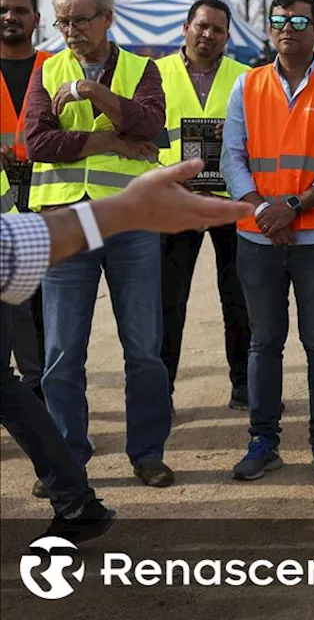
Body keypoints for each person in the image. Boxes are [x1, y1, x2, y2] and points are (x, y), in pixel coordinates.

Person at [2, 158, 252, 542]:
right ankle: (72, 485)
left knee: (140, 353)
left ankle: (128, 463)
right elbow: (40, 140)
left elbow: (12, 245)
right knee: (56, 361)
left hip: (120, 232)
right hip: (66, 209)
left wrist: (122, 211)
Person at [24, 0, 174, 490]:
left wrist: (91, 91)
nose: (70, 30)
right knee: (63, 351)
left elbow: (150, 126)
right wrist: (109, 138)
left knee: (143, 347)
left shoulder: (141, 69)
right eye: (62, 20)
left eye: (80, 19)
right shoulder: (46, 71)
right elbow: (38, 142)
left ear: (107, 19)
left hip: (129, 223)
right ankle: (68, 458)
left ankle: (148, 454)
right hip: (65, 223)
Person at [221, 0, 314, 484]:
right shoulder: (247, 85)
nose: (286, 28)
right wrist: (261, 210)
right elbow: (231, 157)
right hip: (259, 238)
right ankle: (263, 440)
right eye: (278, 20)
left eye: (299, 22)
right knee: (263, 343)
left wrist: (293, 208)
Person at [154, 0, 252, 410]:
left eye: (217, 29)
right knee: (167, 301)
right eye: (201, 26)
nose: (208, 35)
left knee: (239, 297)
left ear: (228, 36)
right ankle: (161, 390)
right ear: (185, 28)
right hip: (175, 202)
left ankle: (245, 386)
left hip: (229, 202)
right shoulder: (153, 74)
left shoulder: (246, 78)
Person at [0, 0, 51, 399]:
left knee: (42, 306)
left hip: (45, 200)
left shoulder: (56, 69)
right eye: (2, 10)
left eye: (19, 10)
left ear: (37, 18)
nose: (10, 17)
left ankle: (40, 390)